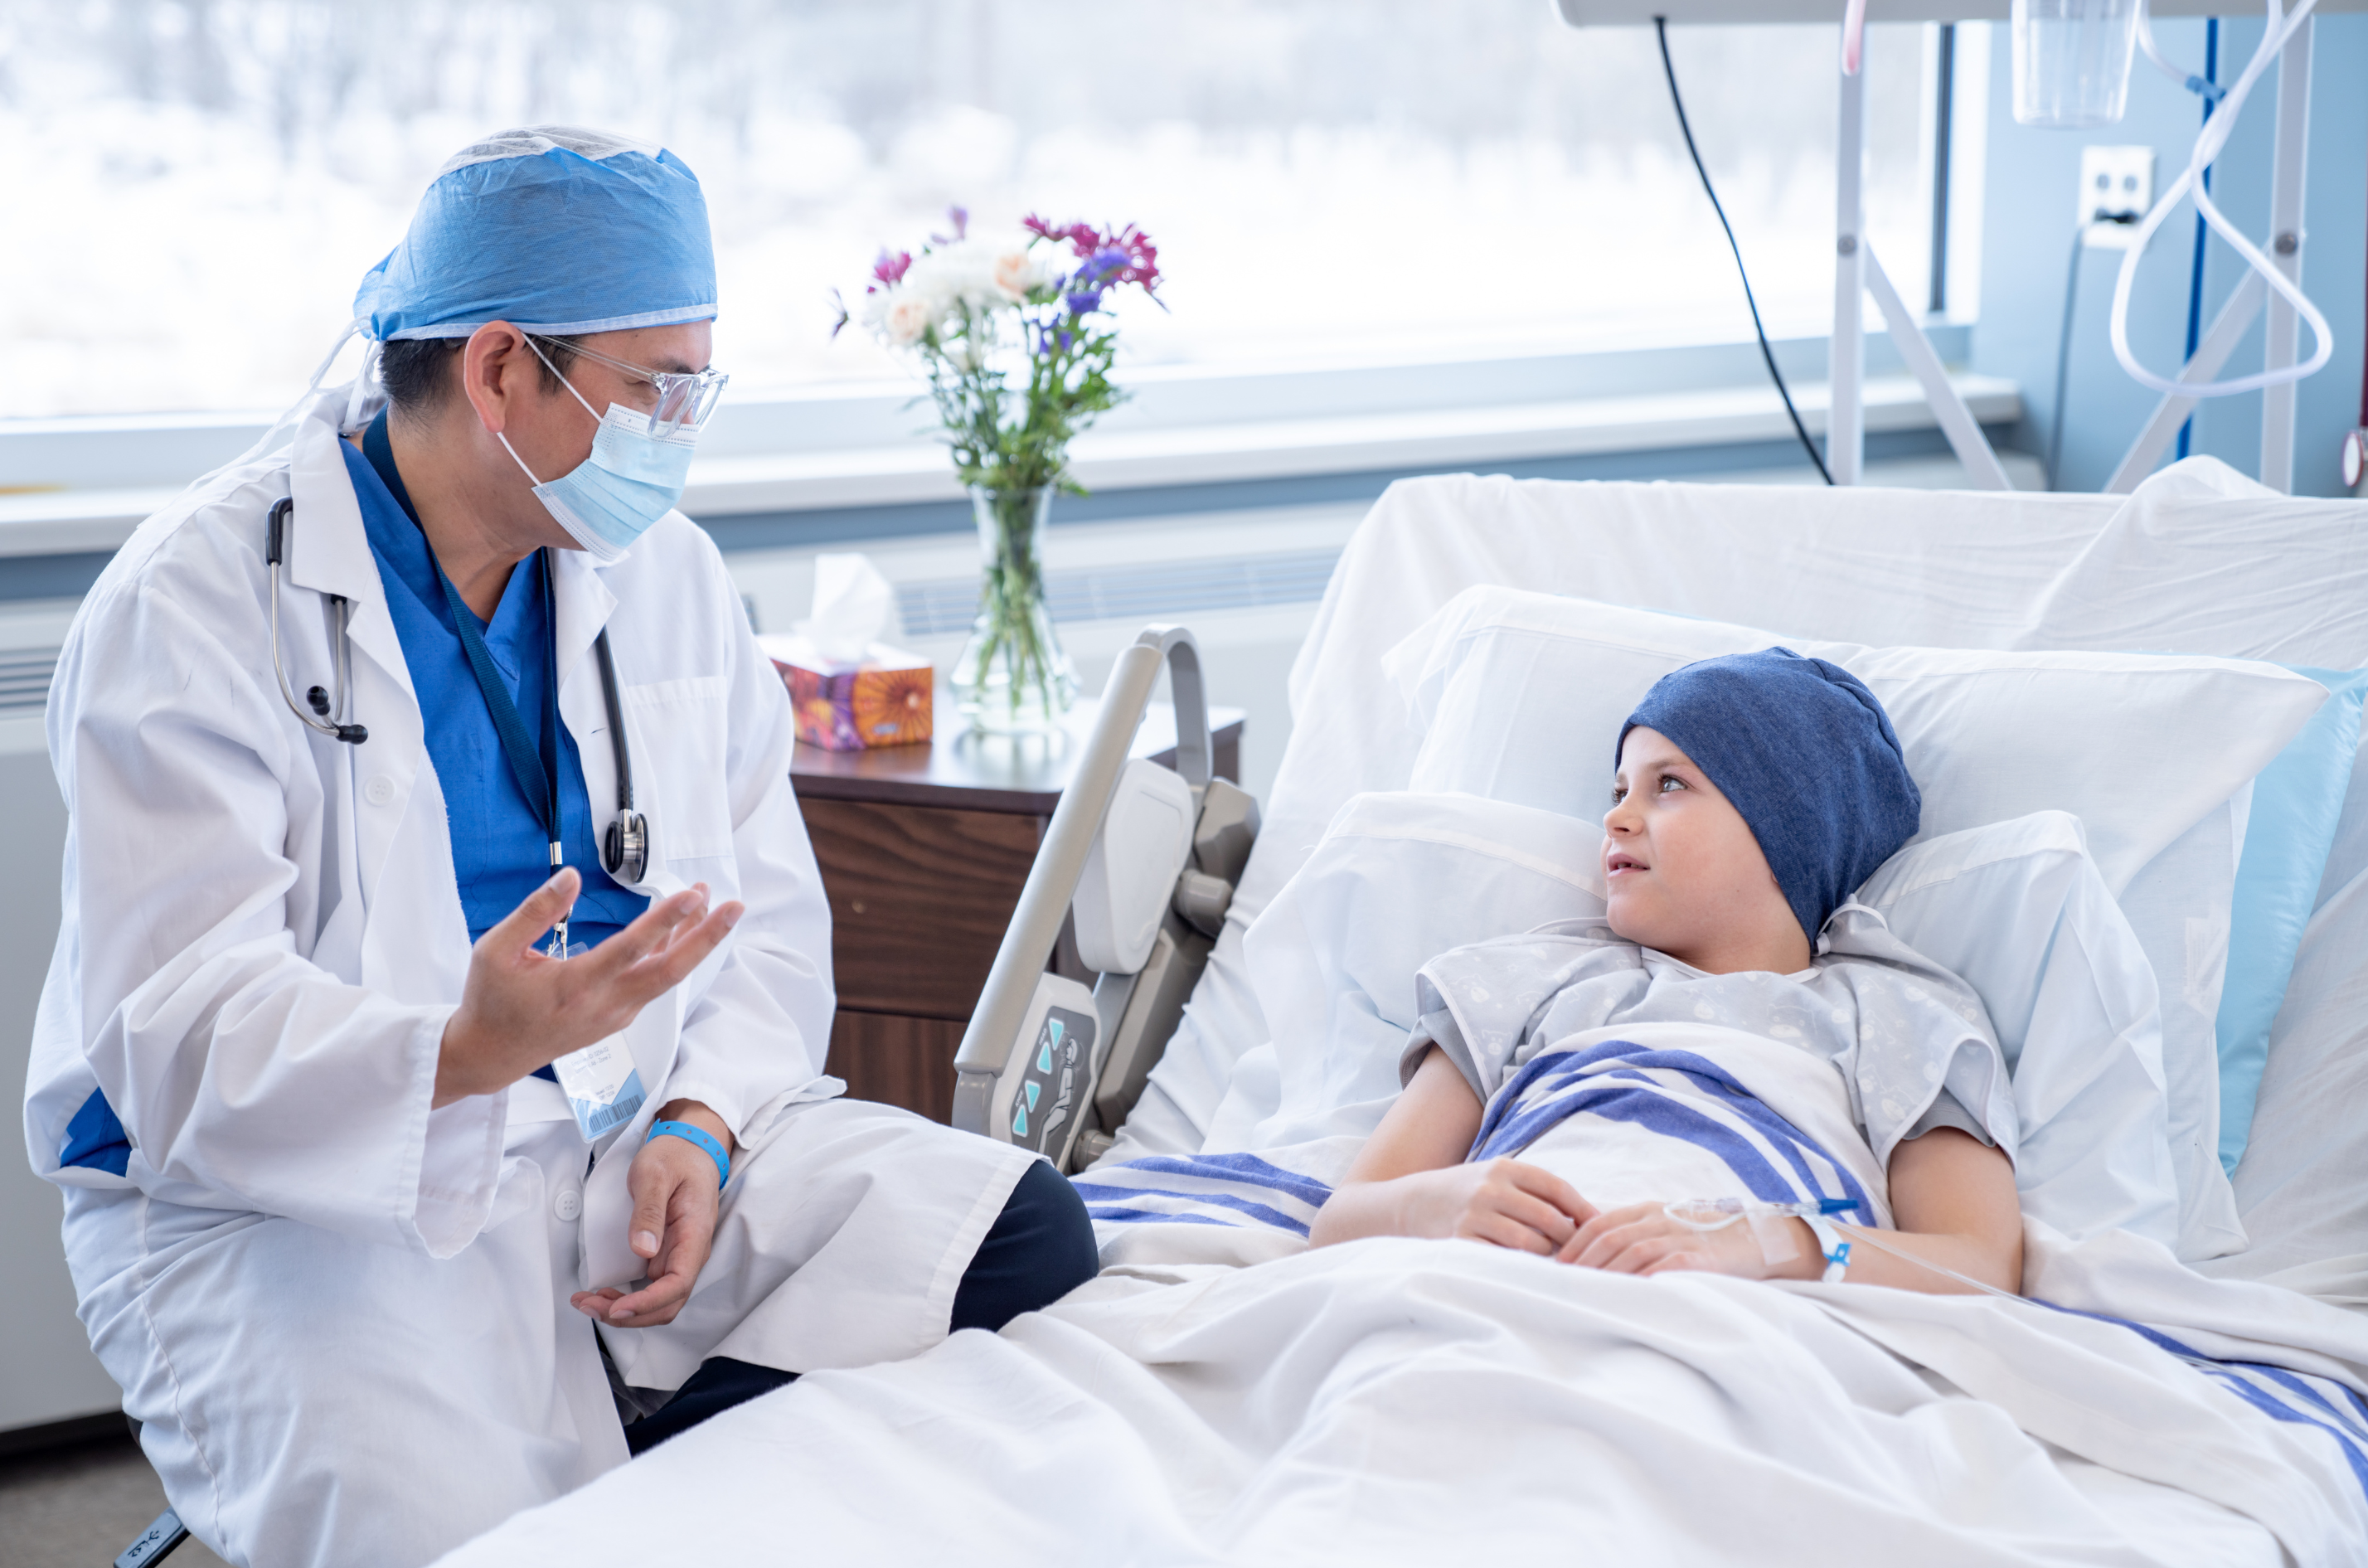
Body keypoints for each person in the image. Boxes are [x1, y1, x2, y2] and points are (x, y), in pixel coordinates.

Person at [22, 127, 1098, 1568]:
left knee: (1016, 1240)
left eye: (696, 382)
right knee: (461, 1533)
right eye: (654, 386)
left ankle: (655, 1477)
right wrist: (460, 1051)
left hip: (620, 1140)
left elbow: (762, 924)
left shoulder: (664, 575)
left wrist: (699, 1123)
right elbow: (177, 1037)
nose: (682, 425)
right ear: (499, 371)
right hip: (297, 1204)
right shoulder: (199, 604)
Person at [1308, 648, 2026, 1295]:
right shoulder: (1533, 979)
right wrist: (1435, 1204)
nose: (1618, 818)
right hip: (1487, 1290)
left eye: (1669, 784)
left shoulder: (1894, 1011)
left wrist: (1772, 1243)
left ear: (1788, 825)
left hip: (1740, 1315)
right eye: (1617, 791)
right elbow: (1341, 1220)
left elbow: (1978, 1264)